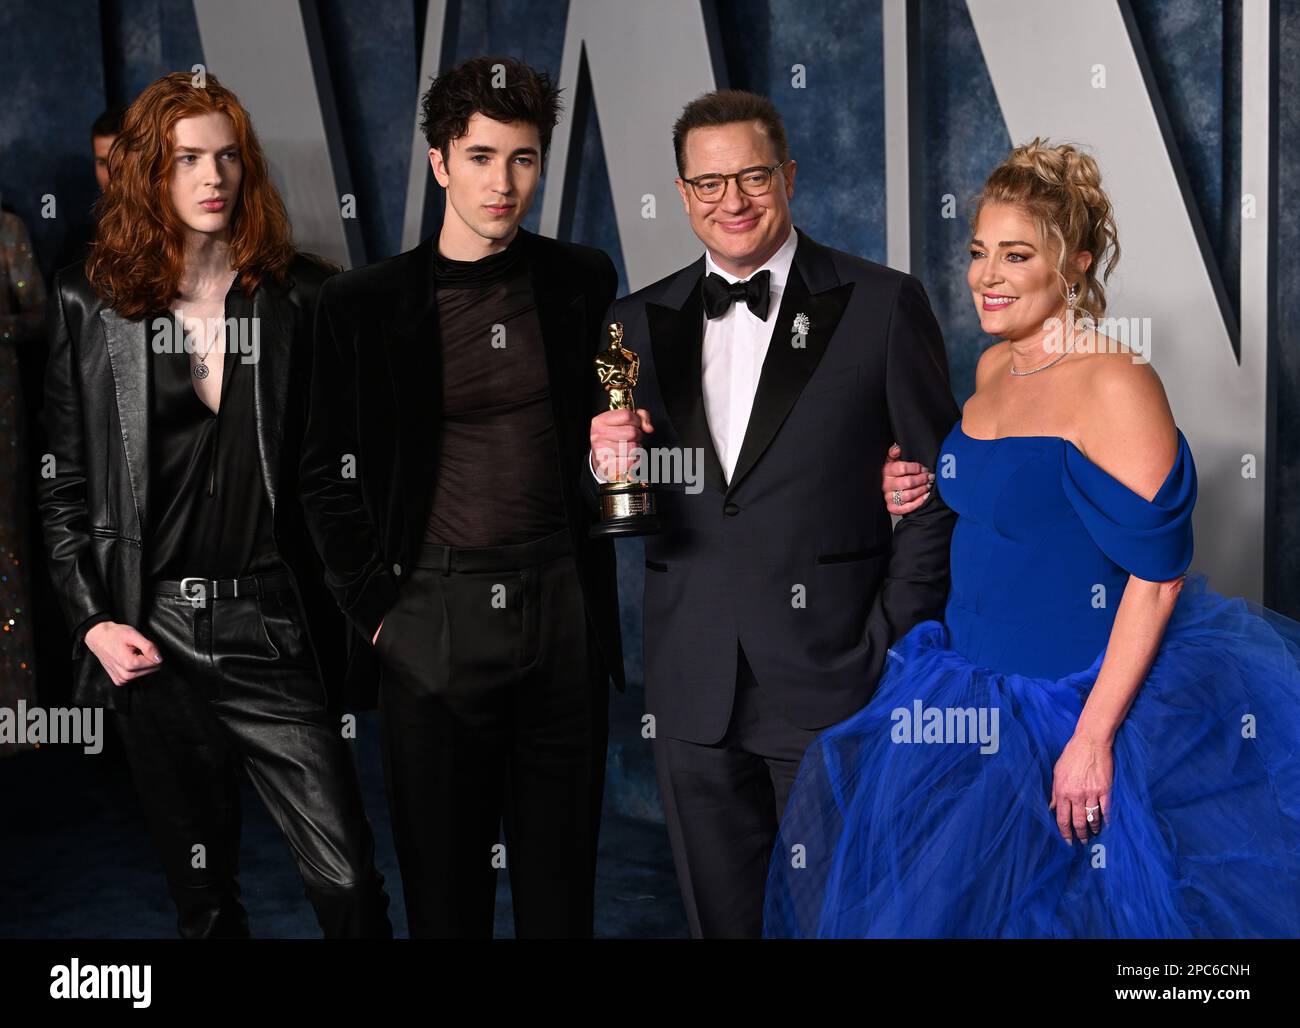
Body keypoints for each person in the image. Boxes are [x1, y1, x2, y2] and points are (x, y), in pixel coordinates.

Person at [767, 138, 1300, 938]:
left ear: (1076, 266)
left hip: (1081, 704)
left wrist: (1090, 741)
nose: (986, 276)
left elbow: (1156, 579)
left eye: (1016, 256)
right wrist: (913, 489)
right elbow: (996, 503)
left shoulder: (1115, 382)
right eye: (979, 252)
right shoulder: (993, 369)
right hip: (970, 687)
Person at [587, 89, 959, 938]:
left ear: (788, 176)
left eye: (753, 176)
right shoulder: (634, 323)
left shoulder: (881, 304)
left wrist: (891, 639)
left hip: (835, 671)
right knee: (725, 922)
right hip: (692, 681)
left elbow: (941, 489)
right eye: (709, 184)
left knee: (844, 918)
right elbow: (618, 495)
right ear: (682, 195)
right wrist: (602, 463)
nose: (734, 201)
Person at [39, 71, 391, 938]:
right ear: (149, 173)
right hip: (150, 632)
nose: (213, 177)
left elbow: (346, 470)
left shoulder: (303, 296)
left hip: (270, 620)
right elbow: (61, 483)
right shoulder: (91, 302)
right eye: (188, 158)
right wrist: (91, 620)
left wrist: (376, 600)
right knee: (204, 900)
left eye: (228, 158)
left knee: (347, 882)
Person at [299, 56, 624, 939]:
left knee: (562, 901)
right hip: (431, 614)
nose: (503, 183)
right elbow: (322, 474)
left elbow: (610, 429)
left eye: (522, 159)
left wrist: (621, 456)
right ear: (441, 163)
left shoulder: (580, 277)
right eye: (480, 157)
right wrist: (378, 615)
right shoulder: (359, 305)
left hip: (561, 605)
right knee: (447, 903)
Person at [0, 207, 46, 753]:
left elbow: (38, 314)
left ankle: (16, 718)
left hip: (4, 418)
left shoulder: (7, 230)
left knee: (7, 556)